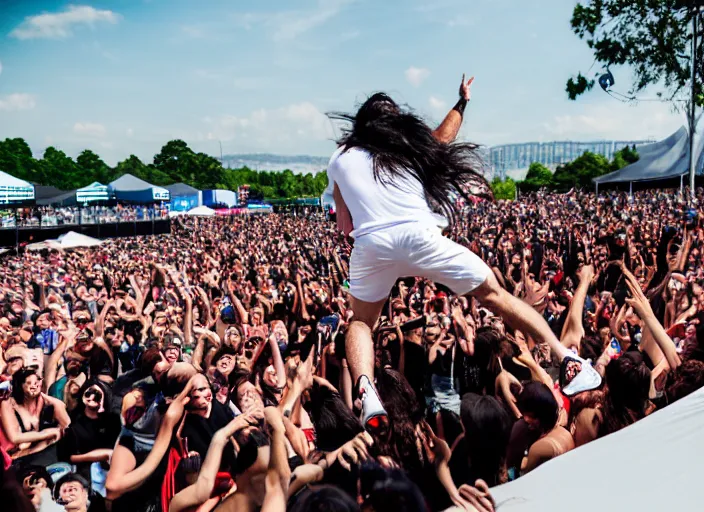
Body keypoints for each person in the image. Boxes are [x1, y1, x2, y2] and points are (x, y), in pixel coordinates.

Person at [326, 76, 579, 432]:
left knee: (361, 323)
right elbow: (444, 134)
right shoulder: (408, 143)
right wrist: (462, 102)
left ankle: (366, 387)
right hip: (419, 236)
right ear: (395, 121)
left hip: (371, 246)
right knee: (495, 295)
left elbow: (344, 226)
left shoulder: (339, 157)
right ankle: (564, 355)